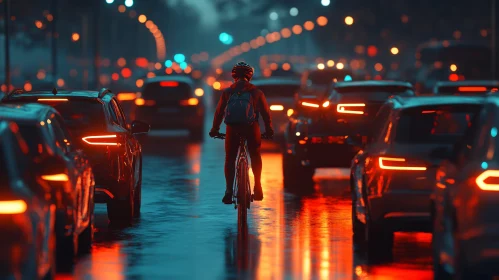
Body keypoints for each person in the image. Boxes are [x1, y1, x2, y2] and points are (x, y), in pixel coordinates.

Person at [209, 62, 274, 204]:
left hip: (232, 128)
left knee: (230, 158)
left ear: (234, 76)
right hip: (251, 128)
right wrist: (269, 130)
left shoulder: (228, 92)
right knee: (255, 154)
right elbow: (265, 113)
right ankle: (257, 187)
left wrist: (214, 130)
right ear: (249, 76)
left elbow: (219, 112)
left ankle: (228, 191)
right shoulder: (256, 92)